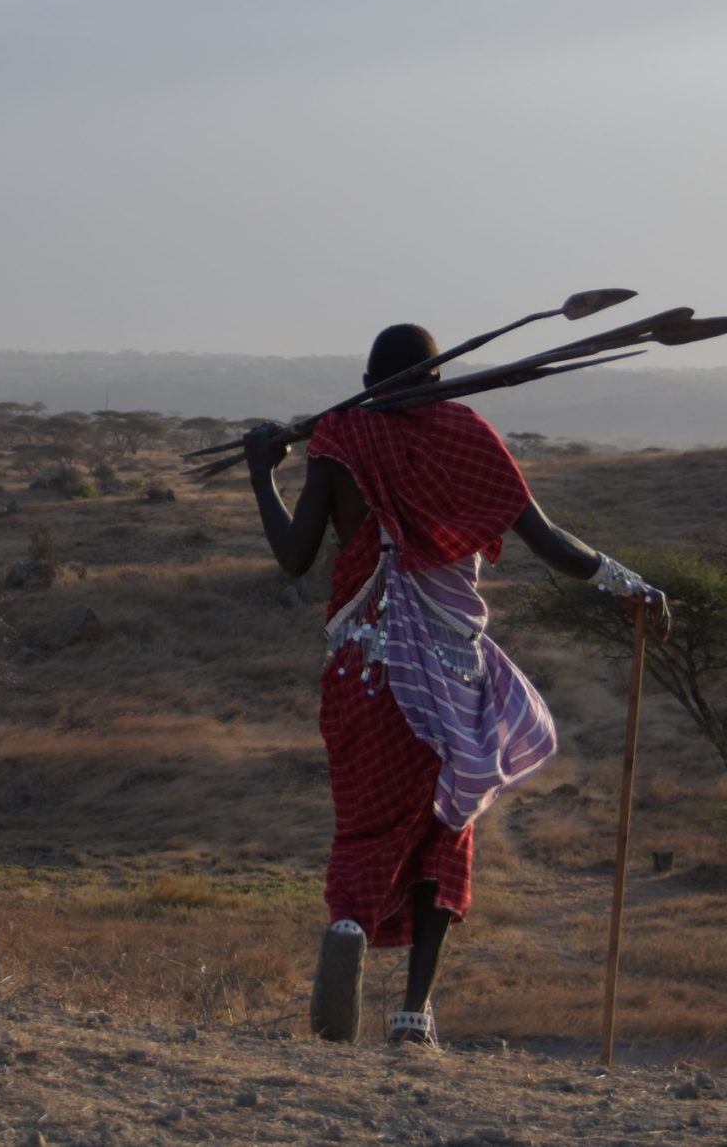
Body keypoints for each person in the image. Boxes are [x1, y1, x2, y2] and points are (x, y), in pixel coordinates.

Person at [243, 322, 670, 1049]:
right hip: (446, 673)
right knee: (449, 825)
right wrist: (629, 584)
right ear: (439, 378)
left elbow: (293, 558)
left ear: (369, 377)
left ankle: (348, 922)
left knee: (367, 823)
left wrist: (263, 468)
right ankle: (414, 1014)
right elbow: (546, 540)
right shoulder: (466, 433)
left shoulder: (340, 438)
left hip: (361, 669)